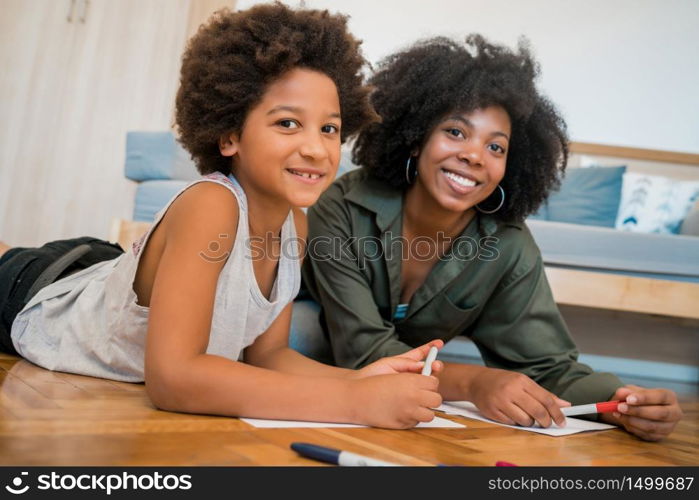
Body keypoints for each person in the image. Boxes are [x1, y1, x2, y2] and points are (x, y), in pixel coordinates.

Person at [0, 4, 444, 430]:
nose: (315, 147)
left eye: (328, 128)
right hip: (38, 294)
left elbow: (268, 356)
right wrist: (354, 403)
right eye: (288, 123)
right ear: (230, 135)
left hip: (101, 271)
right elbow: (173, 380)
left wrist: (364, 380)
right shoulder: (211, 205)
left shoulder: (298, 225)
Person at [302, 35, 682, 441]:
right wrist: (473, 384)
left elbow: (547, 367)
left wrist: (622, 402)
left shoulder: (508, 246)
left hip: (409, 392)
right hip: (317, 357)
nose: (474, 155)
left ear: (510, 167)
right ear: (416, 139)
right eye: (455, 132)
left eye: (496, 147)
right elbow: (361, 350)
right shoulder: (342, 206)